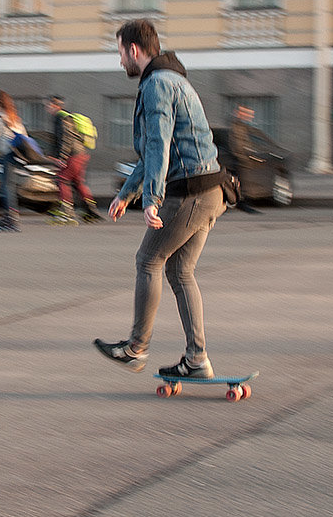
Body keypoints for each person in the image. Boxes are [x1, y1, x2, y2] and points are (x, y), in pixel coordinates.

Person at [93, 19, 227, 379]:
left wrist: (151, 197)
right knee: (179, 270)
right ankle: (196, 360)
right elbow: (156, 149)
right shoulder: (173, 79)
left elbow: (158, 145)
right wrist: (127, 193)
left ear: (134, 50)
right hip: (210, 191)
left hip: (191, 191)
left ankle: (136, 348)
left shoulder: (156, 85)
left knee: (148, 260)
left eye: (120, 52)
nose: (120, 61)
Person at [0, 89, 51, 232]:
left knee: (6, 186)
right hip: (19, 155)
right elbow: (24, 135)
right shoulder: (14, 117)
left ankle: (10, 217)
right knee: (9, 185)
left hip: (8, 154)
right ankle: (10, 215)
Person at [46, 95, 102, 224]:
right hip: (81, 154)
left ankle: (67, 214)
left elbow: (66, 138)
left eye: (48, 105)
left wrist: (62, 157)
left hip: (74, 155)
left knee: (62, 179)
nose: (47, 108)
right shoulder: (67, 117)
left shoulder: (62, 117)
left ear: (55, 105)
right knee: (78, 182)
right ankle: (91, 211)